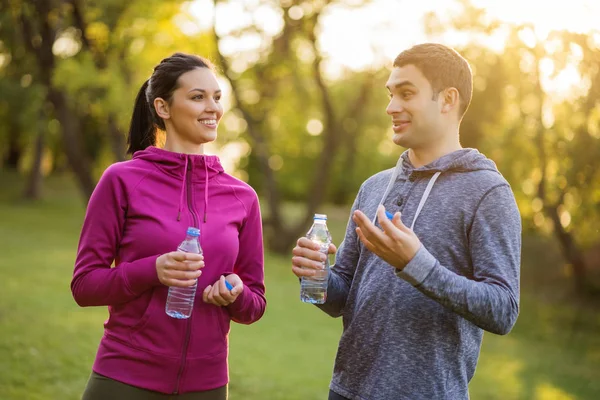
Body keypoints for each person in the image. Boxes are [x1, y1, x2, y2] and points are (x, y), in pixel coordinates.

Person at [292, 43, 521, 400]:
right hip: (345, 390)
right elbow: (342, 297)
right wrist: (318, 276)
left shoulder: (488, 192)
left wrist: (417, 265)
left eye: (406, 93)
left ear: (447, 100)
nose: (390, 106)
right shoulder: (375, 186)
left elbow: (503, 309)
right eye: (390, 94)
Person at [71, 53, 266, 400]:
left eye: (217, 97)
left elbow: (255, 304)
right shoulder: (122, 180)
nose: (213, 108)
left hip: (207, 384)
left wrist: (234, 292)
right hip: (124, 377)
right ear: (162, 107)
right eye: (197, 97)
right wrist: (153, 270)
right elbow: (85, 286)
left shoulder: (243, 197)